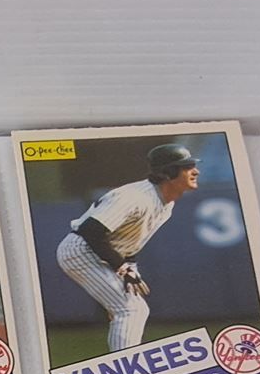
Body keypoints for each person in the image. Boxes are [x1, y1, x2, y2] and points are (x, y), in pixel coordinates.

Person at [54, 142, 199, 351]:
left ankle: (126, 360)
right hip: (81, 251)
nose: (196, 171)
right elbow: (90, 231)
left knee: (129, 310)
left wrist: (128, 268)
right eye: (187, 167)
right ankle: (126, 366)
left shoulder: (167, 202)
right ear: (168, 173)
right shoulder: (135, 198)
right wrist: (121, 268)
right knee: (131, 310)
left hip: (105, 252)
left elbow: (128, 241)